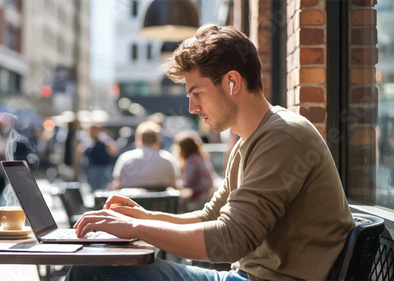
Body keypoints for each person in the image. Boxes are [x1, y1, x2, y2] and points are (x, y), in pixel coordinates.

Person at [68, 24, 354, 281]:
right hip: (243, 277)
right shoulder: (250, 141)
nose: (192, 108)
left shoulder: (282, 136)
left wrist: (135, 228)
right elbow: (211, 216)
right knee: (100, 263)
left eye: (197, 93)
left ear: (232, 82)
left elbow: (230, 240)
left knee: (96, 268)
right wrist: (144, 218)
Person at [107, 121, 179, 191]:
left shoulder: (125, 158)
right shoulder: (168, 158)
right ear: (158, 139)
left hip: (131, 201)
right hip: (161, 202)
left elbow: (118, 181)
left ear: (139, 138)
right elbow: (174, 182)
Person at [172, 130, 213, 212]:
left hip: (197, 199)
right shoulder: (200, 158)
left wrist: (174, 184)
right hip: (205, 196)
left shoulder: (192, 160)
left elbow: (187, 183)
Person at [79, 125, 119, 192]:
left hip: (104, 168)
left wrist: (104, 141)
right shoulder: (87, 140)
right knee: (93, 188)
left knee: (105, 187)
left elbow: (114, 151)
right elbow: (80, 152)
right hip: (92, 168)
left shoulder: (105, 139)